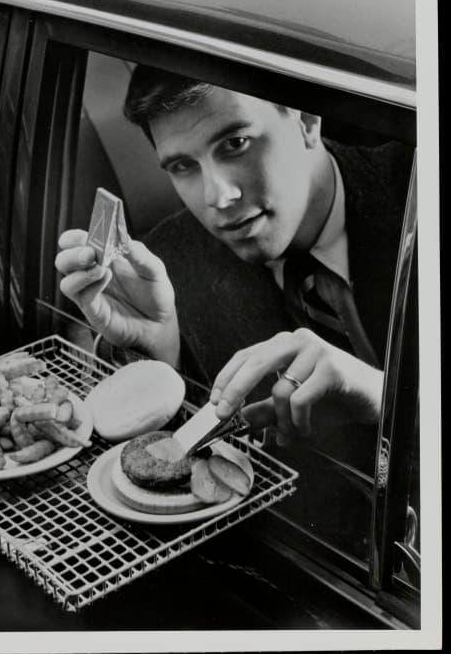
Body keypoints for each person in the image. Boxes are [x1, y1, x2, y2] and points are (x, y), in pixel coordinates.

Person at [55, 66, 412, 456]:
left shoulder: (420, 189)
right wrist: (162, 360)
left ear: (307, 120)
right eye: (183, 166)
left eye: (236, 143)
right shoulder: (161, 273)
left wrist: (386, 401)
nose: (218, 197)